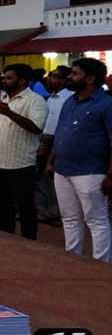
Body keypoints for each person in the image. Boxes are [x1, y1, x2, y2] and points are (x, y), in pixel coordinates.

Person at [48, 58, 112, 263]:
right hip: (63, 168)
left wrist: (110, 175)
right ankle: (72, 259)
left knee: (96, 220)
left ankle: (101, 264)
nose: (70, 77)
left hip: (91, 171)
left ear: (91, 78)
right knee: (70, 218)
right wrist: (52, 160)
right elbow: (61, 132)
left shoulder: (106, 104)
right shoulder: (70, 100)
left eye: (75, 73)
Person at [0, 64, 47, 239]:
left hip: (20, 164)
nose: (4, 81)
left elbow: (36, 127)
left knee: (25, 207)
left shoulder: (35, 100)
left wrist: (10, 113)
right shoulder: (3, 98)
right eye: (4, 77)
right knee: (3, 206)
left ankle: (29, 243)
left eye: (9, 78)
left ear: (22, 80)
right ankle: (7, 240)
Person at [37, 66, 73, 222]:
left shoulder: (69, 98)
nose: (52, 80)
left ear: (65, 80)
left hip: (57, 142)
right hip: (43, 141)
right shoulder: (50, 98)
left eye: (57, 77)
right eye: (52, 76)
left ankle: (59, 211)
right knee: (41, 177)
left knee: (53, 177)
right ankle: (48, 209)